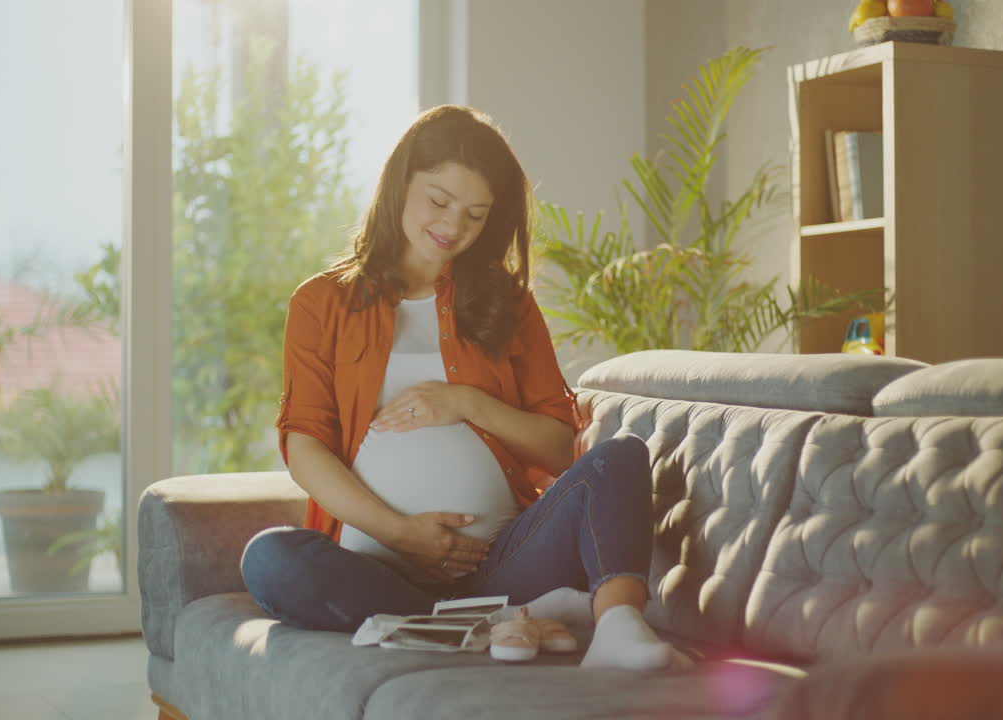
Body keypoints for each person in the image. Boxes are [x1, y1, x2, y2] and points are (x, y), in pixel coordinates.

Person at [240, 105, 685, 671]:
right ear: (400, 183)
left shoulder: (511, 306)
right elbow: (304, 446)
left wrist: (468, 403)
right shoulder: (321, 303)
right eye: (439, 201)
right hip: (376, 566)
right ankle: (493, 621)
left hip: (504, 560)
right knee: (270, 559)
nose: (453, 227)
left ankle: (620, 627)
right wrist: (402, 534)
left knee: (619, 458)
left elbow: (558, 447)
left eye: (475, 214)